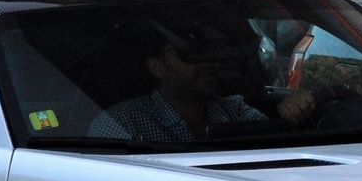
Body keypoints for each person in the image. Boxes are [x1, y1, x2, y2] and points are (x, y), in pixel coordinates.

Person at [93, 25, 314, 145]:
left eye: (208, 52)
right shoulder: (121, 126)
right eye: (187, 54)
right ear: (157, 67)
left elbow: (273, 147)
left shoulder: (233, 110)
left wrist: (295, 114)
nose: (207, 61)